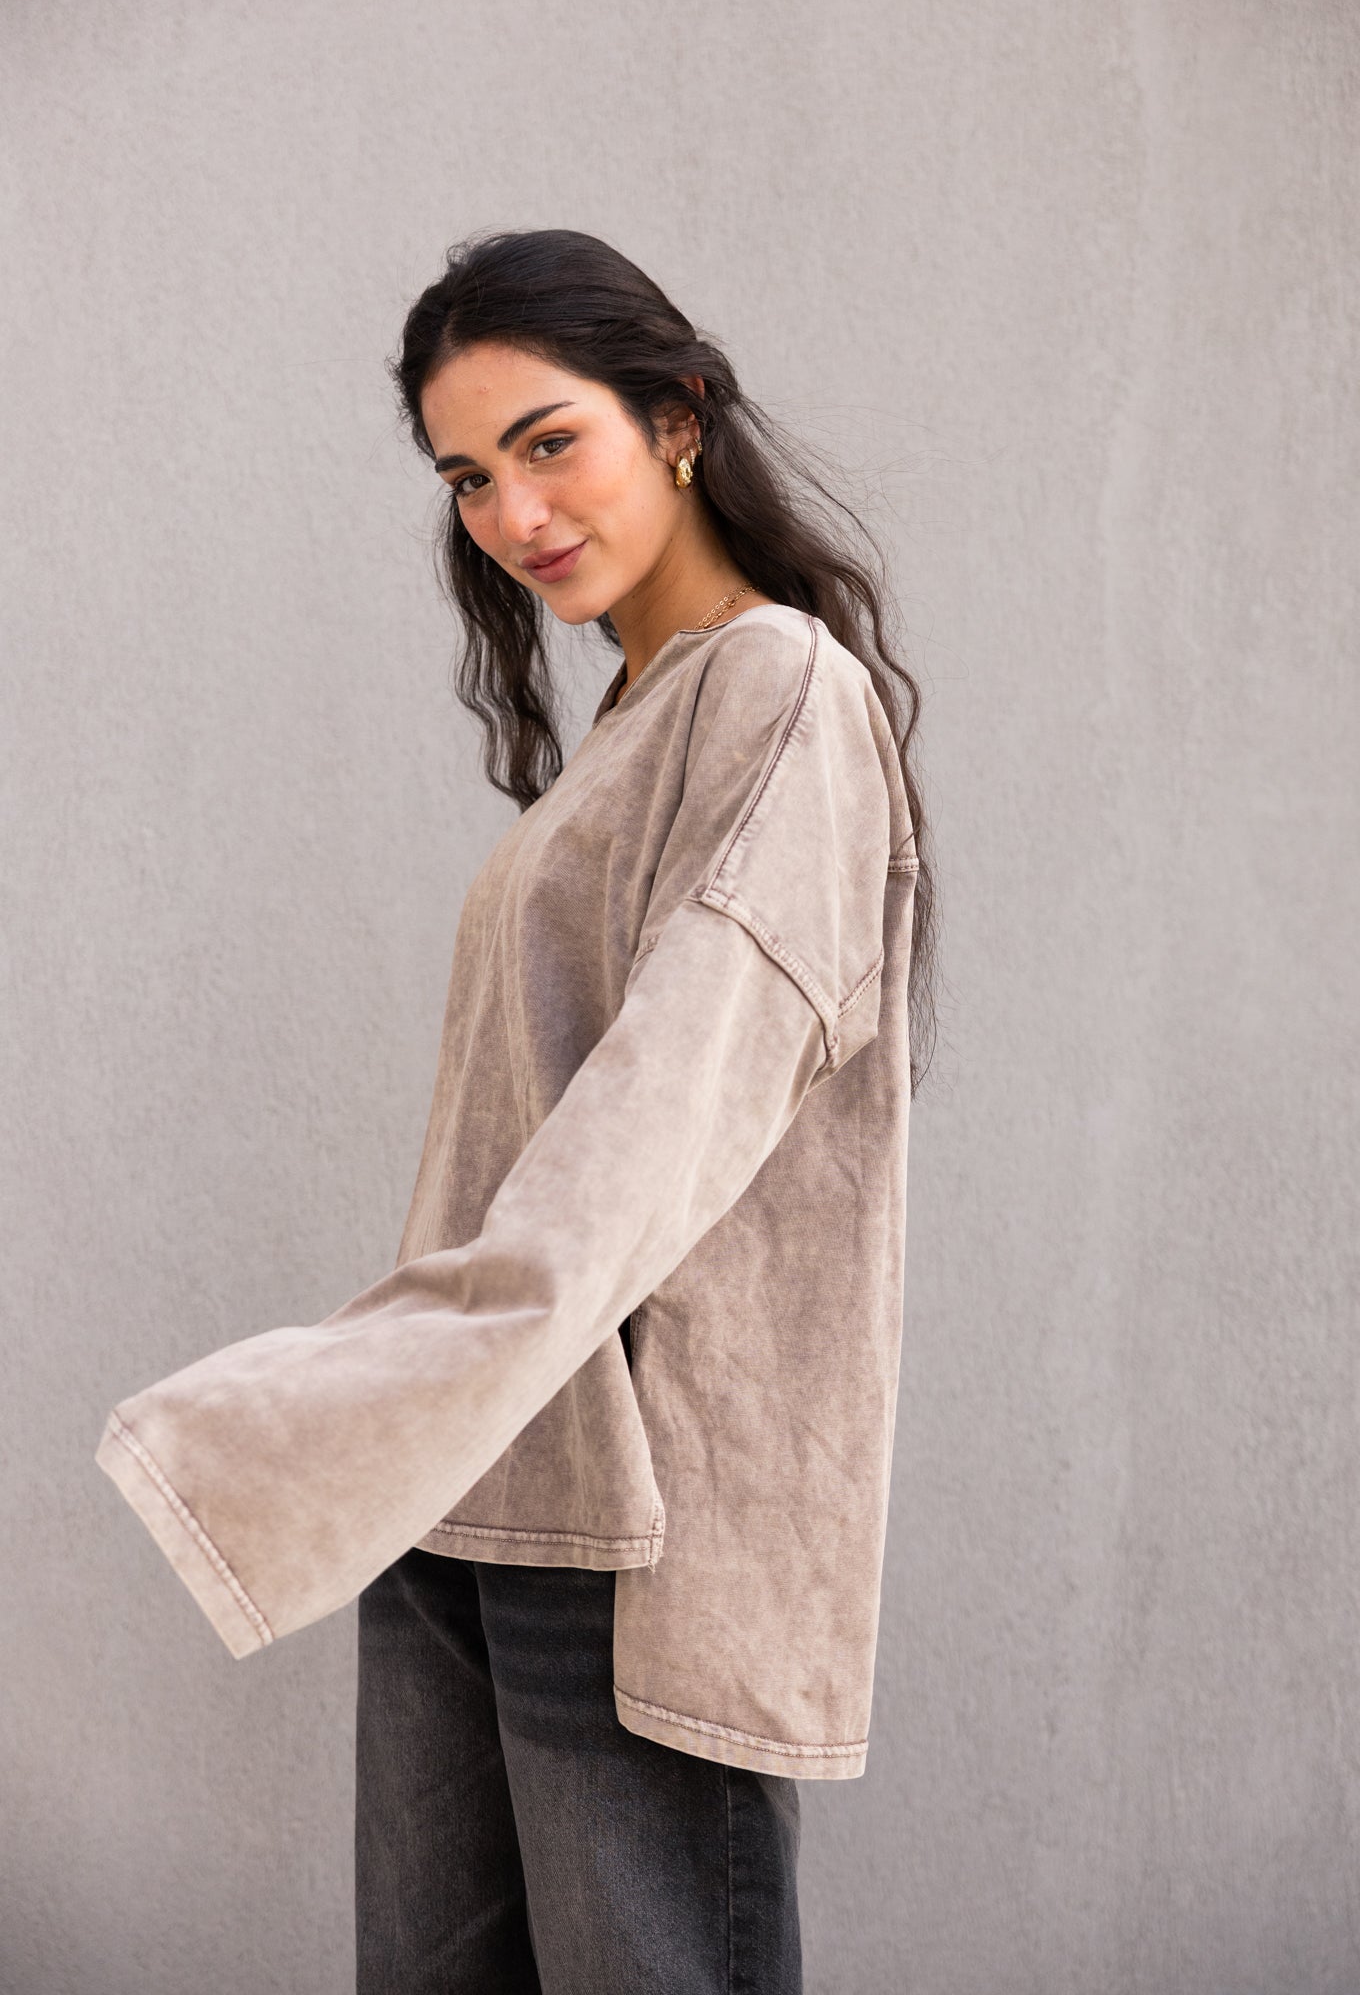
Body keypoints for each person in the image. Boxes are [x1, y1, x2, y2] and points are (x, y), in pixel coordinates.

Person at [94, 227, 938, 1994]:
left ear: (677, 420)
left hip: (628, 1508)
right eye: (468, 476)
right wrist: (402, 1406)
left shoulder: (780, 689)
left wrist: (351, 1384)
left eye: (549, 442)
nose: (512, 513)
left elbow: (661, 1114)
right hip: (467, 1474)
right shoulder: (635, 715)